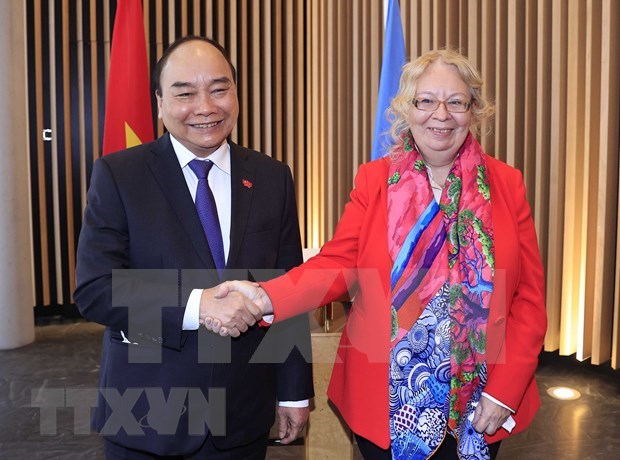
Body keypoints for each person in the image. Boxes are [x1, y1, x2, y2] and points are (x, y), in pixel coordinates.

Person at [208, 48, 547, 460]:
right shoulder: (375, 181)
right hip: (387, 401)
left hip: (478, 402)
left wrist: (505, 391)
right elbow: (336, 263)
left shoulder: (506, 185)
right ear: (407, 108)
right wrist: (265, 296)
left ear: (473, 110)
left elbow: (529, 300)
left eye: (456, 102)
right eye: (426, 101)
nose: (441, 114)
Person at [74, 35, 313, 459]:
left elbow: (288, 288)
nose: (206, 107)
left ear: (236, 95)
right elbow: (96, 289)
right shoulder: (119, 175)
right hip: (146, 417)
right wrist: (198, 304)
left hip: (241, 418)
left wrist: (293, 393)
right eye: (185, 93)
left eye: (219, 89)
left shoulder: (273, 177)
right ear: (160, 102)